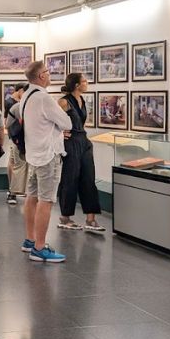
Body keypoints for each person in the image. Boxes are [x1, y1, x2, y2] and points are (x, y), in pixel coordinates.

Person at [19, 61, 71, 263]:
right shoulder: (44, 98)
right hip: (48, 156)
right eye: (48, 72)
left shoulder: (26, 96)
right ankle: (40, 247)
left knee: (32, 197)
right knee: (46, 200)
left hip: (33, 154)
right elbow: (67, 123)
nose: (50, 75)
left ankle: (30, 240)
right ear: (41, 76)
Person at [56, 74, 105, 232]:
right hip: (71, 143)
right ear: (77, 85)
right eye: (84, 81)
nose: (87, 83)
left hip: (83, 141)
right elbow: (51, 121)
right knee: (70, 179)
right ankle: (65, 217)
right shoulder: (63, 101)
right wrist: (59, 134)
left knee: (89, 179)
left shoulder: (82, 100)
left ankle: (91, 219)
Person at [4, 83, 29, 205]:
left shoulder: (14, 104)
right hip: (19, 139)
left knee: (15, 163)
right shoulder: (14, 105)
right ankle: (14, 191)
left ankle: (14, 191)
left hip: (17, 139)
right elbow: (8, 123)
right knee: (18, 164)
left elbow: (7, 123)